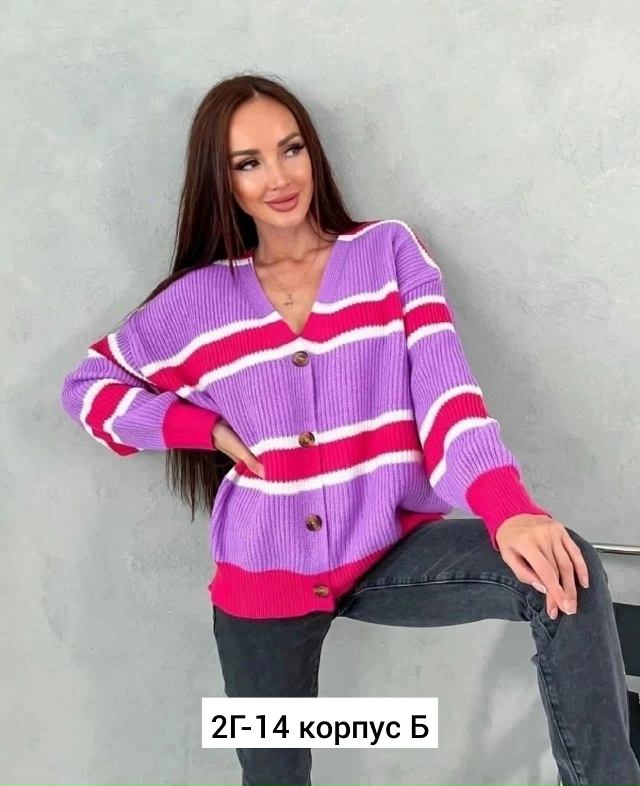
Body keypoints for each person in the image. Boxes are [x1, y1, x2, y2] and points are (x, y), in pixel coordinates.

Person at [60, 74, 640, 786]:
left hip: (387, 549)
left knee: (563, 569)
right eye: (249, 163)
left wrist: (509, 508)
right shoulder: (198, 301)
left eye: (291, 149)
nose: (279, 178)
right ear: (223, 181)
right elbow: (87, 389)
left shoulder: (387, 254)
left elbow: (447, 397)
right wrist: (199, 427)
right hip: (264, 575)